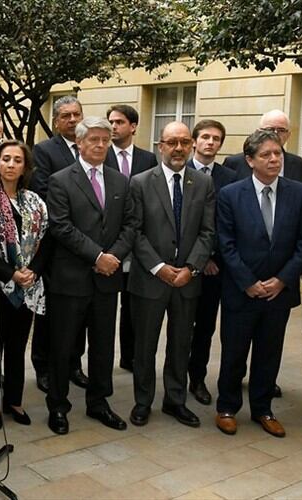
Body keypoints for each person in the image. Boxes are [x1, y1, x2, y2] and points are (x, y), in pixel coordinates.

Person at [215, 129, 302, 438]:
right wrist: (248, 282)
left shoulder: (298, 193)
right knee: (234, 352)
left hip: (278, 294)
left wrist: (283, 280)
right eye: (266, 155)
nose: (274, 159)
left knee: (269, 353)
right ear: (250, 160)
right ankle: (227, 407)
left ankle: (263, 408)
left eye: (278, 154)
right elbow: (225, 244)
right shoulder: (231, 194)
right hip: (241, 291)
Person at [45, 117, 135, 435]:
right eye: (93, 139)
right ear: (80, 144)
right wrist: (98, 256)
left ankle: (99, 402)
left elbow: (130, 224)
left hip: (107, 281)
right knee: (63, 346)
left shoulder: (121, 181)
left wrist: (113, 258)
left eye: (104, 140)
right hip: (70, 279)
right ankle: (58, 406)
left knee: (102, 346)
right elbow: (60, 226)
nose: (99, 145)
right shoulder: (60, 180)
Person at [127, 121, 216, 428]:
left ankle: (175, 401)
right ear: (160, 146)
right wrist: (160, 267)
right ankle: (142, 401)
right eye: (172, 142)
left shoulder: (203, 183)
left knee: (181, 344)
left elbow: (208, 232)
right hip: (150, 279)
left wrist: (191, 268)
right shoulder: (139, 183)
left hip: (187, 281)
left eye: (184, 142)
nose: (178, 148)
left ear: (191, 145)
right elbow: (134, 232)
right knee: (145, 346)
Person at [0, 140, 49, 428]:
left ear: (25, 167)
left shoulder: (35, 201)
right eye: (5, 159)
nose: (11, 164)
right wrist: (10, 273)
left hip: (29, 286)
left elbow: (47, 240)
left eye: (17, 160)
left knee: (17, 347)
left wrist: (32, 271)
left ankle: (14, 400)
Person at [30, 95, 90, 392]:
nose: (72, 120)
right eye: (65, 116)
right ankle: (44, 367)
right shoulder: (44, 151)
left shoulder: (92, 147)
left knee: (81, 313)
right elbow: (42, 193)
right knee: (50, 312)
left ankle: (73, 364)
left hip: (89, 247)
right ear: (55, 121)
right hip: (57, 244)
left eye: (76, 114)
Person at [104, 104, 158, 372]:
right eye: (111, 122)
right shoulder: (102, 156)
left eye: (119, 122)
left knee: (132, 305)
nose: (113, 126)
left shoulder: (148, 159)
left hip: (137, 242)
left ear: (133, 126)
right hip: (110, 245)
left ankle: (130, 356)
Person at [186, 119, 236, 405]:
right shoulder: (180, 169)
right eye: (205, 137)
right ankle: (175, 374)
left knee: (205, 327)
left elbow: (225, 223)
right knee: (180, 326)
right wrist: (198, 259)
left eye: (216, 138)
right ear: (195, 141)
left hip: (216, 268)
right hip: (182, 264)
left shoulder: (228, 177)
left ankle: (197, 377)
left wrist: (210, 258)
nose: (210, 142)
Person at [223, 109, 302, 188]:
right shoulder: (234, 163)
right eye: (270, 129)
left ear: (288, 135)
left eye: (281, 130)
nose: (275, 134)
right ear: (258, 132)